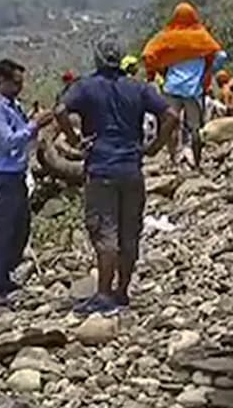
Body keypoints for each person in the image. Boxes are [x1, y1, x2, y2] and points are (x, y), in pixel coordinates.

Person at [56, 39, 180, 315]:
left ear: (98, 59)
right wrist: (156, 146)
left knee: (105, 233)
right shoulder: (138, 88)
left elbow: (60, 111)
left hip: (101, 168)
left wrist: (75, 139)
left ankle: (103, 294)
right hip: (131, 168)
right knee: (129, 233)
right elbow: (171, 114)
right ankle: (122, 291)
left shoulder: (85, 87)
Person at [0, 59, 53, 307]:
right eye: (16, 83)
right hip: (2, 177)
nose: (19, 88)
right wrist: (35, 125)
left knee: (19, 229)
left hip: (17, 175)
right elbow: (9, 141)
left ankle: (4, 276)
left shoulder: (14, 106)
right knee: (0, 233)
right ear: (2, 81)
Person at [143, 2, 226, 171]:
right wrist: (208, 71)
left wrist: (159, 71)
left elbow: (148, 55)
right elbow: (221, 55)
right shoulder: (201, 37)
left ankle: (173, 160)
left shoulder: (167, 37)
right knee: (196, 129)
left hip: (171, 88)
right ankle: (196, 163)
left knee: (170, 124)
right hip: (193, 91)